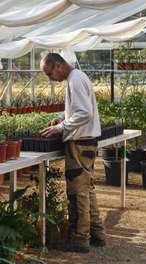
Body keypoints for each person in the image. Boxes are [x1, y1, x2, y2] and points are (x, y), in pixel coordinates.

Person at [40, 53, 105, 253]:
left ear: (59, 65)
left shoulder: (75, 80)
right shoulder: (78, 77)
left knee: (78, 192)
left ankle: (79, 240)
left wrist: (61, 128)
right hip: (87, 141)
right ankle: (97, 234)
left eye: (50, 74)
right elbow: (78, 109)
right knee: (87, 188)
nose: (51, 79)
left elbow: (84, 113)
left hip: (80, 143)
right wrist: (62, 118)